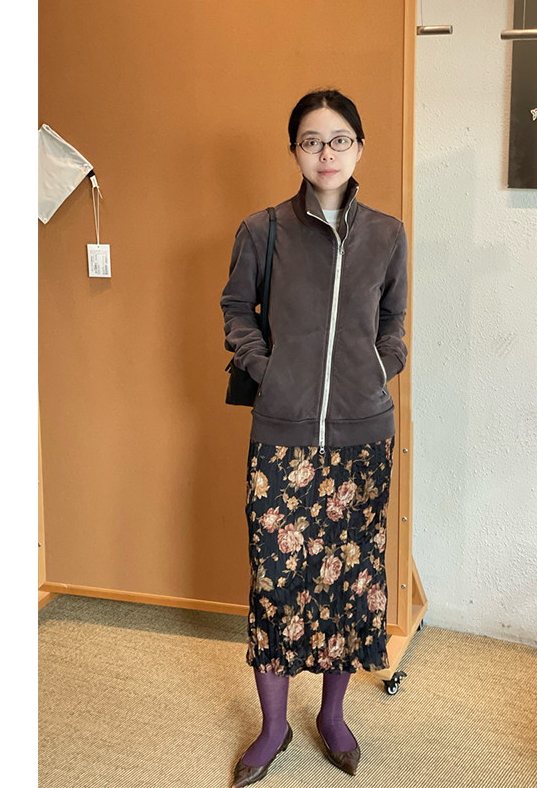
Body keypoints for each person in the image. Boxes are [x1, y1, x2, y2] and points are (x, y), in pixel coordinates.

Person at [220, 88, 408, 787]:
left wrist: (379, 367)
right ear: (294, 149)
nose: (325, 153)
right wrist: (269, 372)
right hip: (283, 435)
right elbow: (237, 310)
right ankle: (273, 728)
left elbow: (393, 321)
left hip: (363, 436)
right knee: (277, 583)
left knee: (351, 581)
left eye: (338, 139)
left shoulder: (387, 234)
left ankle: (332, 717)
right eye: (310, 140)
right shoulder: (262, 229)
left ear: (358, 146)